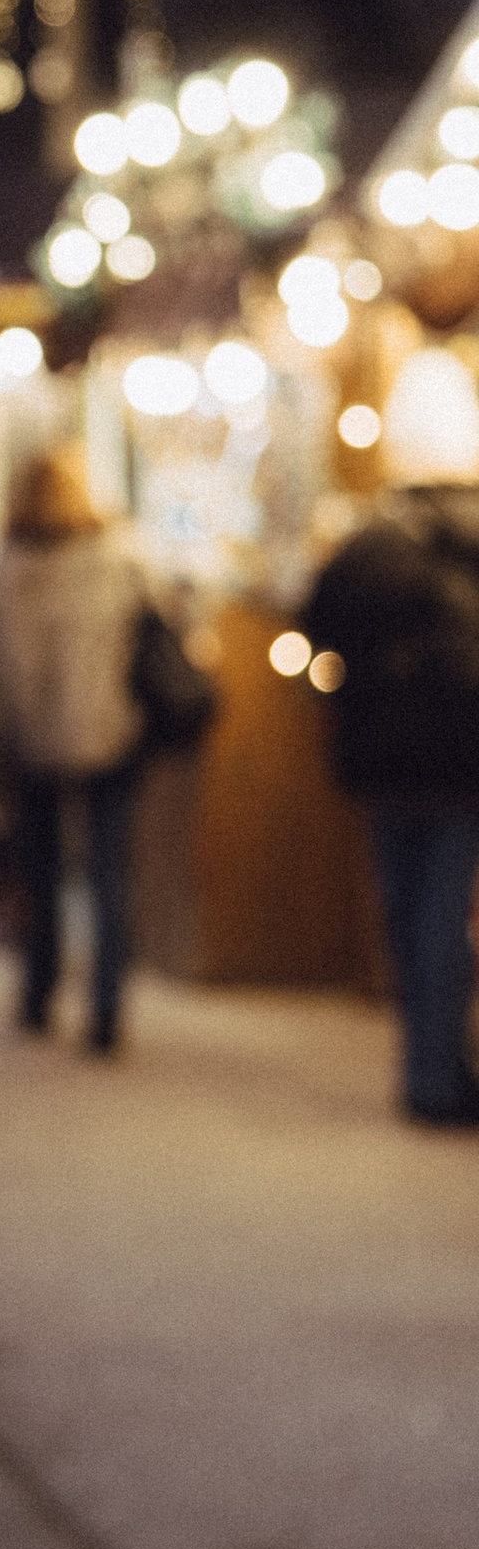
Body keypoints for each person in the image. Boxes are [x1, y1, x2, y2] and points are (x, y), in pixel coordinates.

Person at [302, 430, 479, 1126]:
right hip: (465, 752)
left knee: (407, 911)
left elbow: (316, 626)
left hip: (381, 753)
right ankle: (437, 1072)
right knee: (444, 913)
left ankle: (423, 1062)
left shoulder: (369, 542)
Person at [0, 444, 148, 1055]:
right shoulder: (119, 565)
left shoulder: (2, 575)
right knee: (111, 877)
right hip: (113, 736)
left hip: (29, 744)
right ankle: (107, 1010)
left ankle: (39, 993)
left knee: (40, 872)